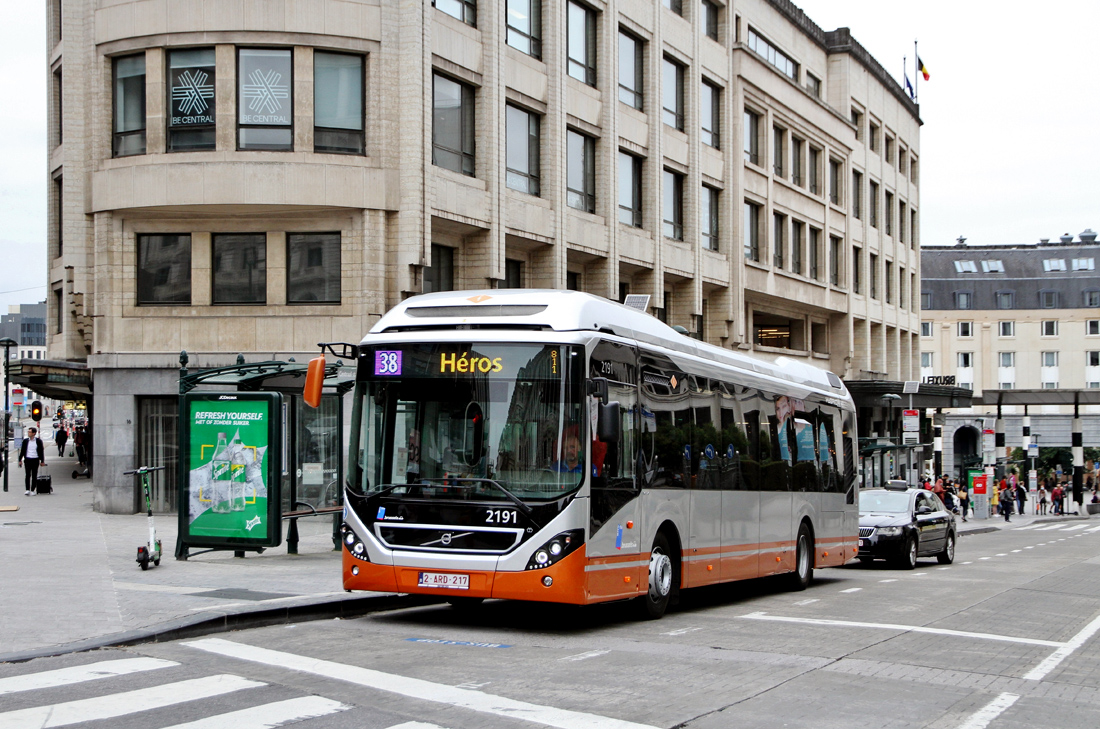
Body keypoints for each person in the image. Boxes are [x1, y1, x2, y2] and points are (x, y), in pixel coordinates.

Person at [18, 426, 46, 496]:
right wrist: (20, 459)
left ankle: (33, 490)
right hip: (27, 459)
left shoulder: (38, 441)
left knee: (34, 475)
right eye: (28, 432)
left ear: (34, 433)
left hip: (35, 459)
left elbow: (41, 451)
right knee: (27, 475)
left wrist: (42, 461)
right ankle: (27, 489)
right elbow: (22, 450)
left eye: (30, 432)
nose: (28, 433)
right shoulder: (25, 441)